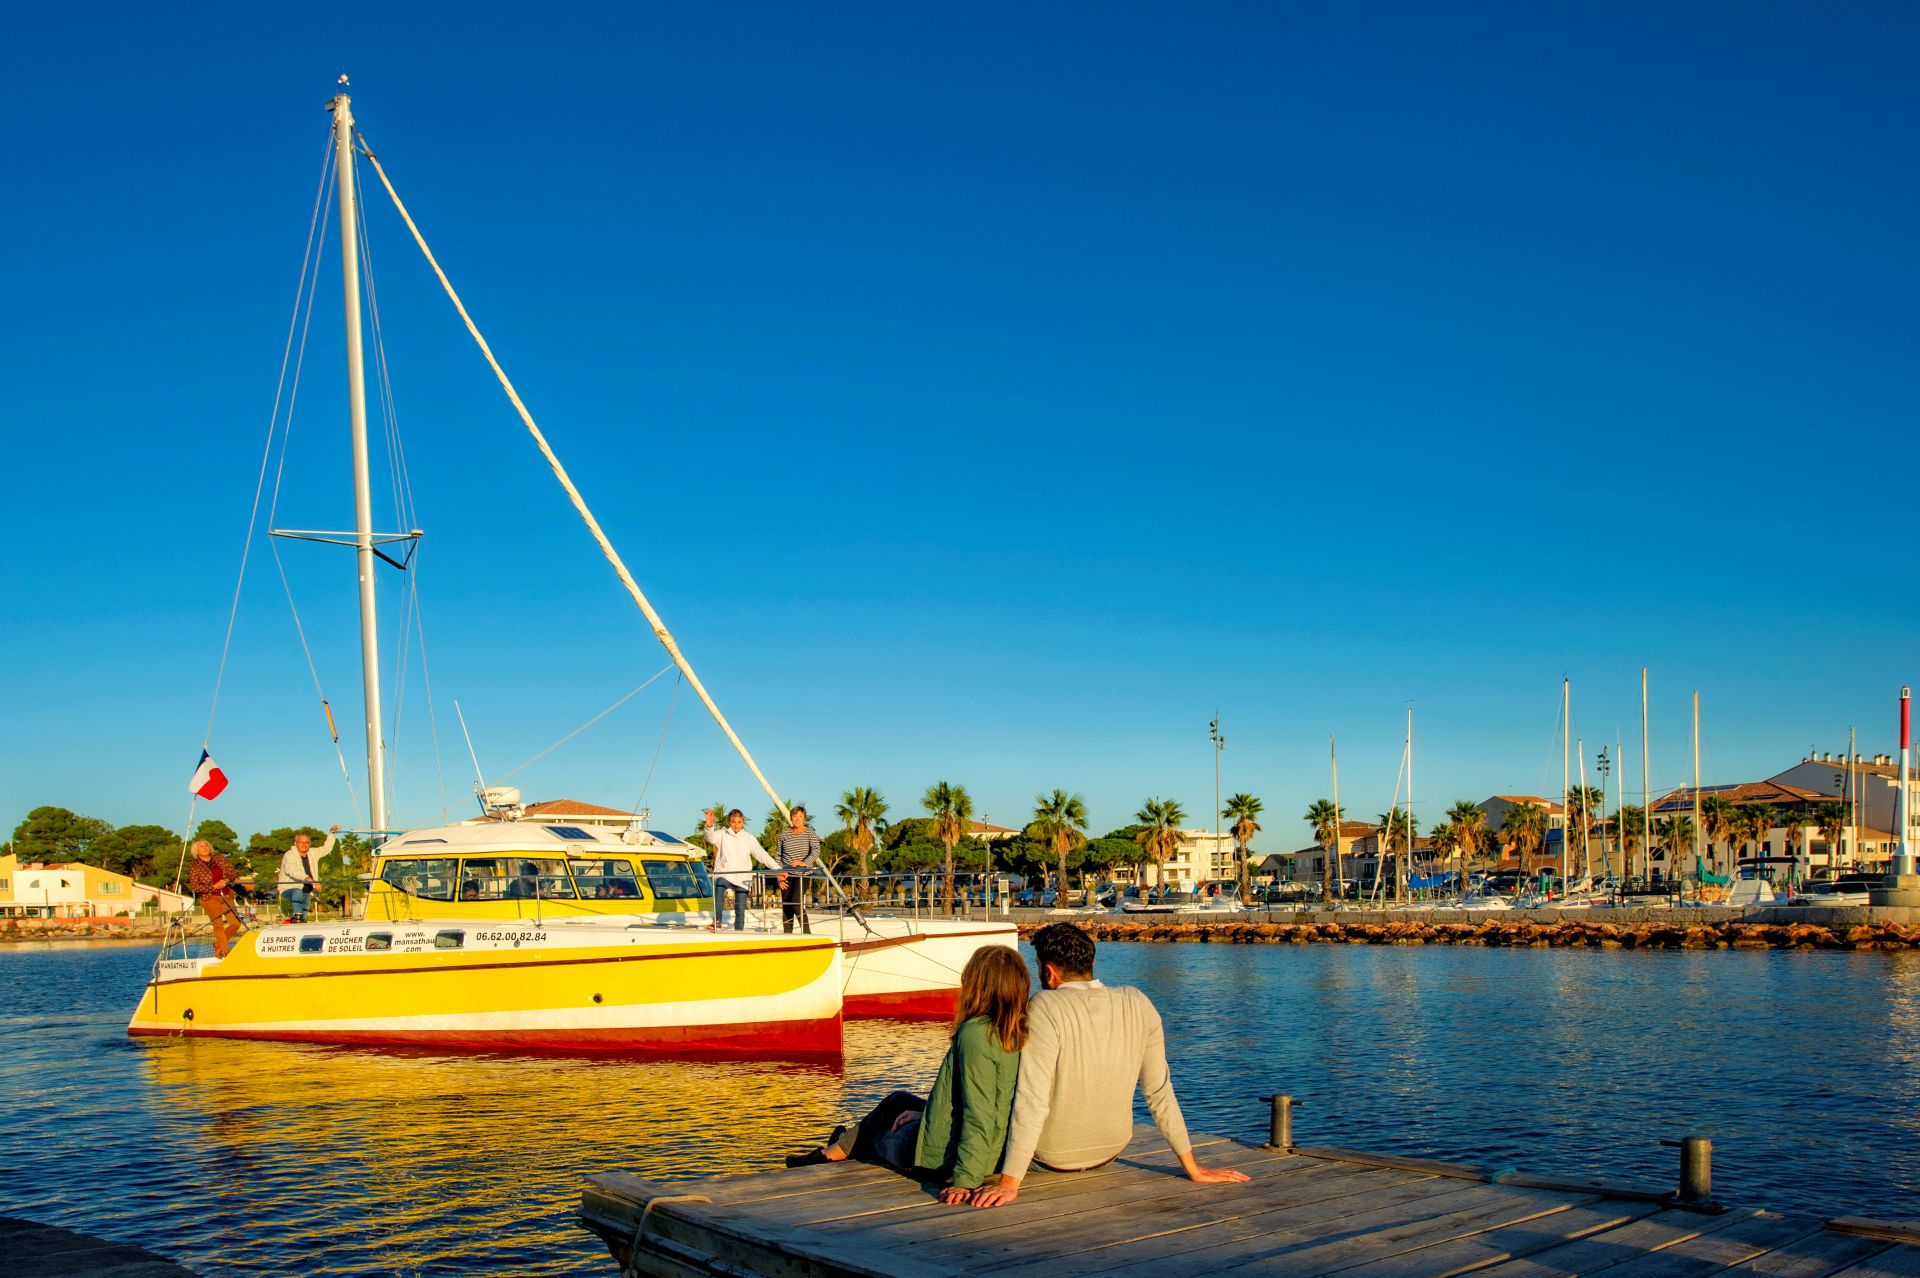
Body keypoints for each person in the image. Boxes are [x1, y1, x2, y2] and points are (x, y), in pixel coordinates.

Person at [970, 922, 1249, 1208]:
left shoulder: (1044, 1006)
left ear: (1048, 971)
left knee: (931, 1124)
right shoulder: (1138, 1001)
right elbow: (1159, 1093)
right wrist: (1193, 1167)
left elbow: (1033, 1101)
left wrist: (1009, 1182)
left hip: (1051, 1158)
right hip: (1109, 1152)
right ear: (1089, 962)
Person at [786, 946, 1030, 1203]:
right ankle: (834, 1149)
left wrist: (965, 1181)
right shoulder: (1018, 1031)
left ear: (977, 984)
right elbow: (993, 1102)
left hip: (945, 1161)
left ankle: (835, 1151)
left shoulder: (975, 1034)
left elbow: (979, 1115)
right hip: (994, 1151)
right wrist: (926, 1113)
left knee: (878, 1138)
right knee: (898, 1101)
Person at [704, 808, 781, 931]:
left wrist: (778, 869)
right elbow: (710, 838)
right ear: (729, 821)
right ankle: (717, 921)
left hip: (743, 877)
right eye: (733, 822)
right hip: (726, 873)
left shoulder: (749, 838)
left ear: (743, 822)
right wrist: (709, 826)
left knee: (740, 910)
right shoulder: (722, 834)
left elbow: (762, 855)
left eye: (739, 822)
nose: (736, 825)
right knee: (719, 884)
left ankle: (739, 932)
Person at [185, 839, 252, 959]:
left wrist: (226, 880)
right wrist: (214, 886)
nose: (205, 848)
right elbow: (195, 887)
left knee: (235, 923)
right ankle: (226, 951)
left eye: (206, 845)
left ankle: (218, 945)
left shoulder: (220, 859)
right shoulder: (194, 867)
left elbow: (232, 874)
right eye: (201, 846)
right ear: (196, 850)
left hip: (227, 895)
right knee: (218, 926)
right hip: (210, 898)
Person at [774, 805, 822, 934]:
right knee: (786, 906)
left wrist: (804, 863)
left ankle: (807, 933)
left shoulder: (809, 832)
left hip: (803, 874)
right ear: (791, 818)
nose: (797, 819)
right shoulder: (783, 834)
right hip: (785, 875)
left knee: (796, 902)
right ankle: (787, 935)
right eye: (795, 816)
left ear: (804, 818)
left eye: (800, 816)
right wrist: (779, 873)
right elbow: (777, 855)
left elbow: (816, 850)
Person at [276, 826, 338, 924]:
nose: (304, 845)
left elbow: (327, 848)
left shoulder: (313, 853)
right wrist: (309, 879)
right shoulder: (289, 855)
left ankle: (302, 921)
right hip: (289, 888)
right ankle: (297, 918)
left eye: (306, 842)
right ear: (295, 844)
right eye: (301, 842)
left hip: (307, 889)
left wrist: (331, 833)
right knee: (298, 892)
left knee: (305, 906)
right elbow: (291, 870)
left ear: (310, 844)